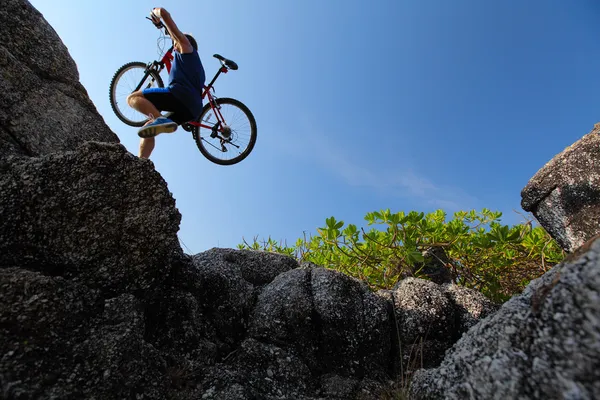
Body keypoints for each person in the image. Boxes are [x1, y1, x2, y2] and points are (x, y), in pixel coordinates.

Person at [126, 7, 206, 159]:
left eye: (176, 42)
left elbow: (164, 13)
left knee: (132, 98)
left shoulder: (186, 47)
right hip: (192, 110)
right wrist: (160, 26)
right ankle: (141, 162)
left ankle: (158, 118)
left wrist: (157, 13)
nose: (174, 45)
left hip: (179, 94)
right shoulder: (193, 63)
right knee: (149, 128)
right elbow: (171, 34)